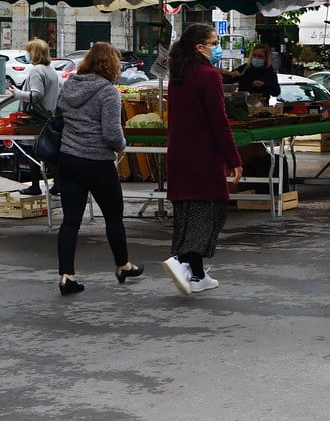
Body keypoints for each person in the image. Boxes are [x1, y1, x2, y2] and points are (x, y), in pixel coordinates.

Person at [55, 42, 143, 296]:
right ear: (112, 64)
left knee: (70, 221)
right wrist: (121, 147)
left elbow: (59, 116)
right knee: (113, 217)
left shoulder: (69, 84)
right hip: (98, 163)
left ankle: (66, 276)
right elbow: (112, 133)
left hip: (69, 159)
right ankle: (123, 265)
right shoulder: (108, 92)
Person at [162, 24, 243, 295]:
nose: (217, 46)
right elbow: (219, 121)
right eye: (214, 41)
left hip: (180, 152)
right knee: (210, 212)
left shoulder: (179, 74)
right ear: (200, 47)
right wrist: (233, 158)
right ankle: (181, 260)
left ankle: (196, 275)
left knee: (188, 212)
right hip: (202, 154)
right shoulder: (208, 75)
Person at [13, 38, 61, 197]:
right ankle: (57, 184)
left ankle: (35, 185)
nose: (27, 55)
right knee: (49, 153)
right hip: (49, 118)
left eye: (28, 52)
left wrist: (17, 93)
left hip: (36, 119)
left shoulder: (36, 71)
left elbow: (36, 94)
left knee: (32, 152)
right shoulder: (51, 70)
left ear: (34, 54)